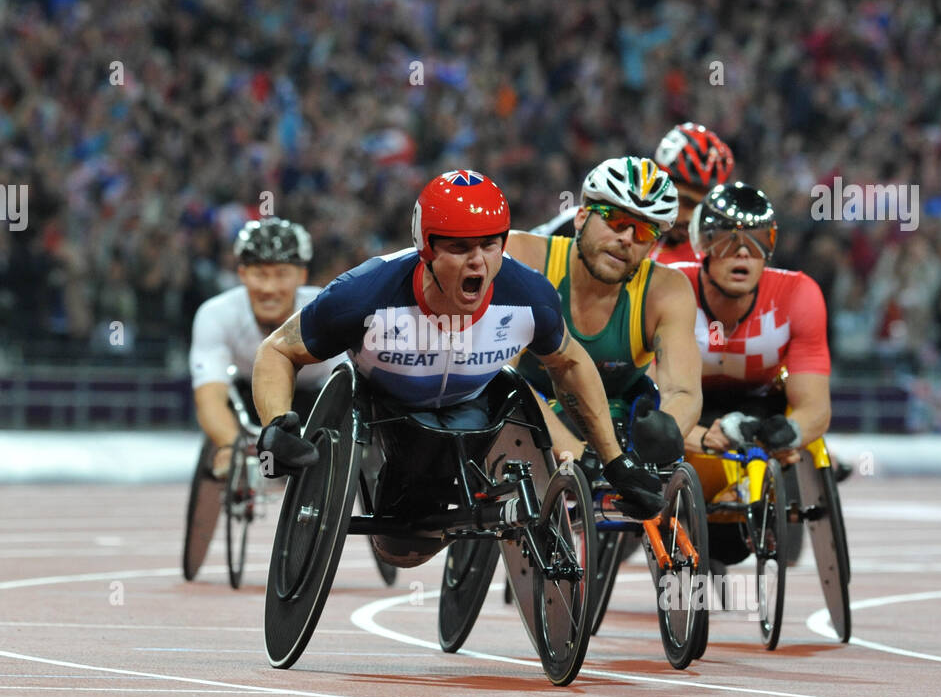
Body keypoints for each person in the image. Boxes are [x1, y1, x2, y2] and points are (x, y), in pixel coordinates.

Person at [251, 169, 665, 567]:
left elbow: (570, 362)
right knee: (400, 545)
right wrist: (276, 424)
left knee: (409, 547)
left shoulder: (529, 297)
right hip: (384, 412)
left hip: (470, 415)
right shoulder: (364, 294)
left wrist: (615, 461)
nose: (478, 263)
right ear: (426, 248)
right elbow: (279, 350)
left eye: (489, 245)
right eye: (460, 248)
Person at [674, 182, 832, 566]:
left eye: (759, 240)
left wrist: (790, 433)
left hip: (761, 408)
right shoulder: (670, 287)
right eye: (728, 240)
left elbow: (814, 406)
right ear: (702, 244)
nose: (744, 251)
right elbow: (652, 398)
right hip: (689, 408)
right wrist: (698, 439)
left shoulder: (799, 293)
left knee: (730, 542)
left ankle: (750, 496)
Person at [509, 156, 702, 467]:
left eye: (643, 232)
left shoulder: (668, 290)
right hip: (529, 416)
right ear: (581, 216)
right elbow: (500, 375)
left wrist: (660, 435)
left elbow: (683, 390)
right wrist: (577, 453)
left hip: (617, 420)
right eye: (614, 219)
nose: (626, 238)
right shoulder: (523, 256)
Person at [188, 217, 340, 479]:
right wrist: (228, 444)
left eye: (281, 274)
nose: (269, 288)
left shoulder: (327, 308)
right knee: (221, 444)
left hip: (317, 400)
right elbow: (209, 393)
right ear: (243, 274)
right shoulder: (216, 314)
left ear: (301, 276)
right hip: (250, 400)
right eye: (260, 274)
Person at [529, 123, 734, 271]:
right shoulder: (580, 222)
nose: (692, 217)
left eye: (704, 205)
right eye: (686, 201)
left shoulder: (713, 261)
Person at [648, 123, 736, 265]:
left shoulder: (711, 264)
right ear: (656, 185)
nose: (692, 218)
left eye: (704, 208)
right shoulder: (617, 231)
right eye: (686, 202)